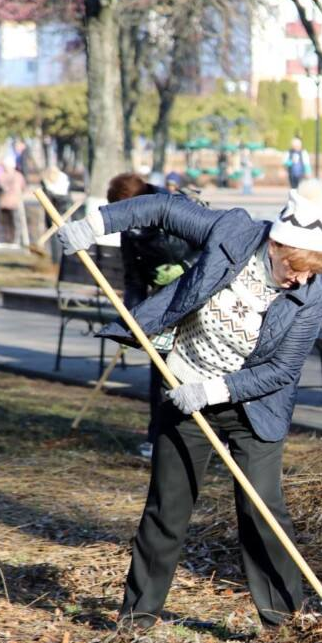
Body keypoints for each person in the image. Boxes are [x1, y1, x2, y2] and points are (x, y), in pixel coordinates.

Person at [54, 179, 322, 632]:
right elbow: (164, 209)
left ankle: (284, 625)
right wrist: (95, 225)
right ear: (276, 244)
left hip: (253, 405)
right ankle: (137, 618)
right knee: (169, 505)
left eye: (311, 271)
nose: (301, 278)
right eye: (296, 266)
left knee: (262, 509)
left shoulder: (313, 293)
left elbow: (282, 370)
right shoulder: (234, 233)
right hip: (184, 376)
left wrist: (213, 392)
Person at [106, 172, 203, 458]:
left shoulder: (177, 208)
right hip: (162, 305)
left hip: (199, 299)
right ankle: (157, 437)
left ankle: (213, 438)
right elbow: (133, 279)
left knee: (200, 368)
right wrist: (131, 319)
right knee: (160, 369)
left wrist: (186, 266)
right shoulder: (131, 231)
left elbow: (212, 247)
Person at [0, 159, 26, 245]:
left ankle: (14, 240)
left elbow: (23, 187)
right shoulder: (2, 176)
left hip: (13, 202)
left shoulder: (17, 176)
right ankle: (7, 239)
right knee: (6, 222)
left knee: (14, 222)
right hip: (5, 203)